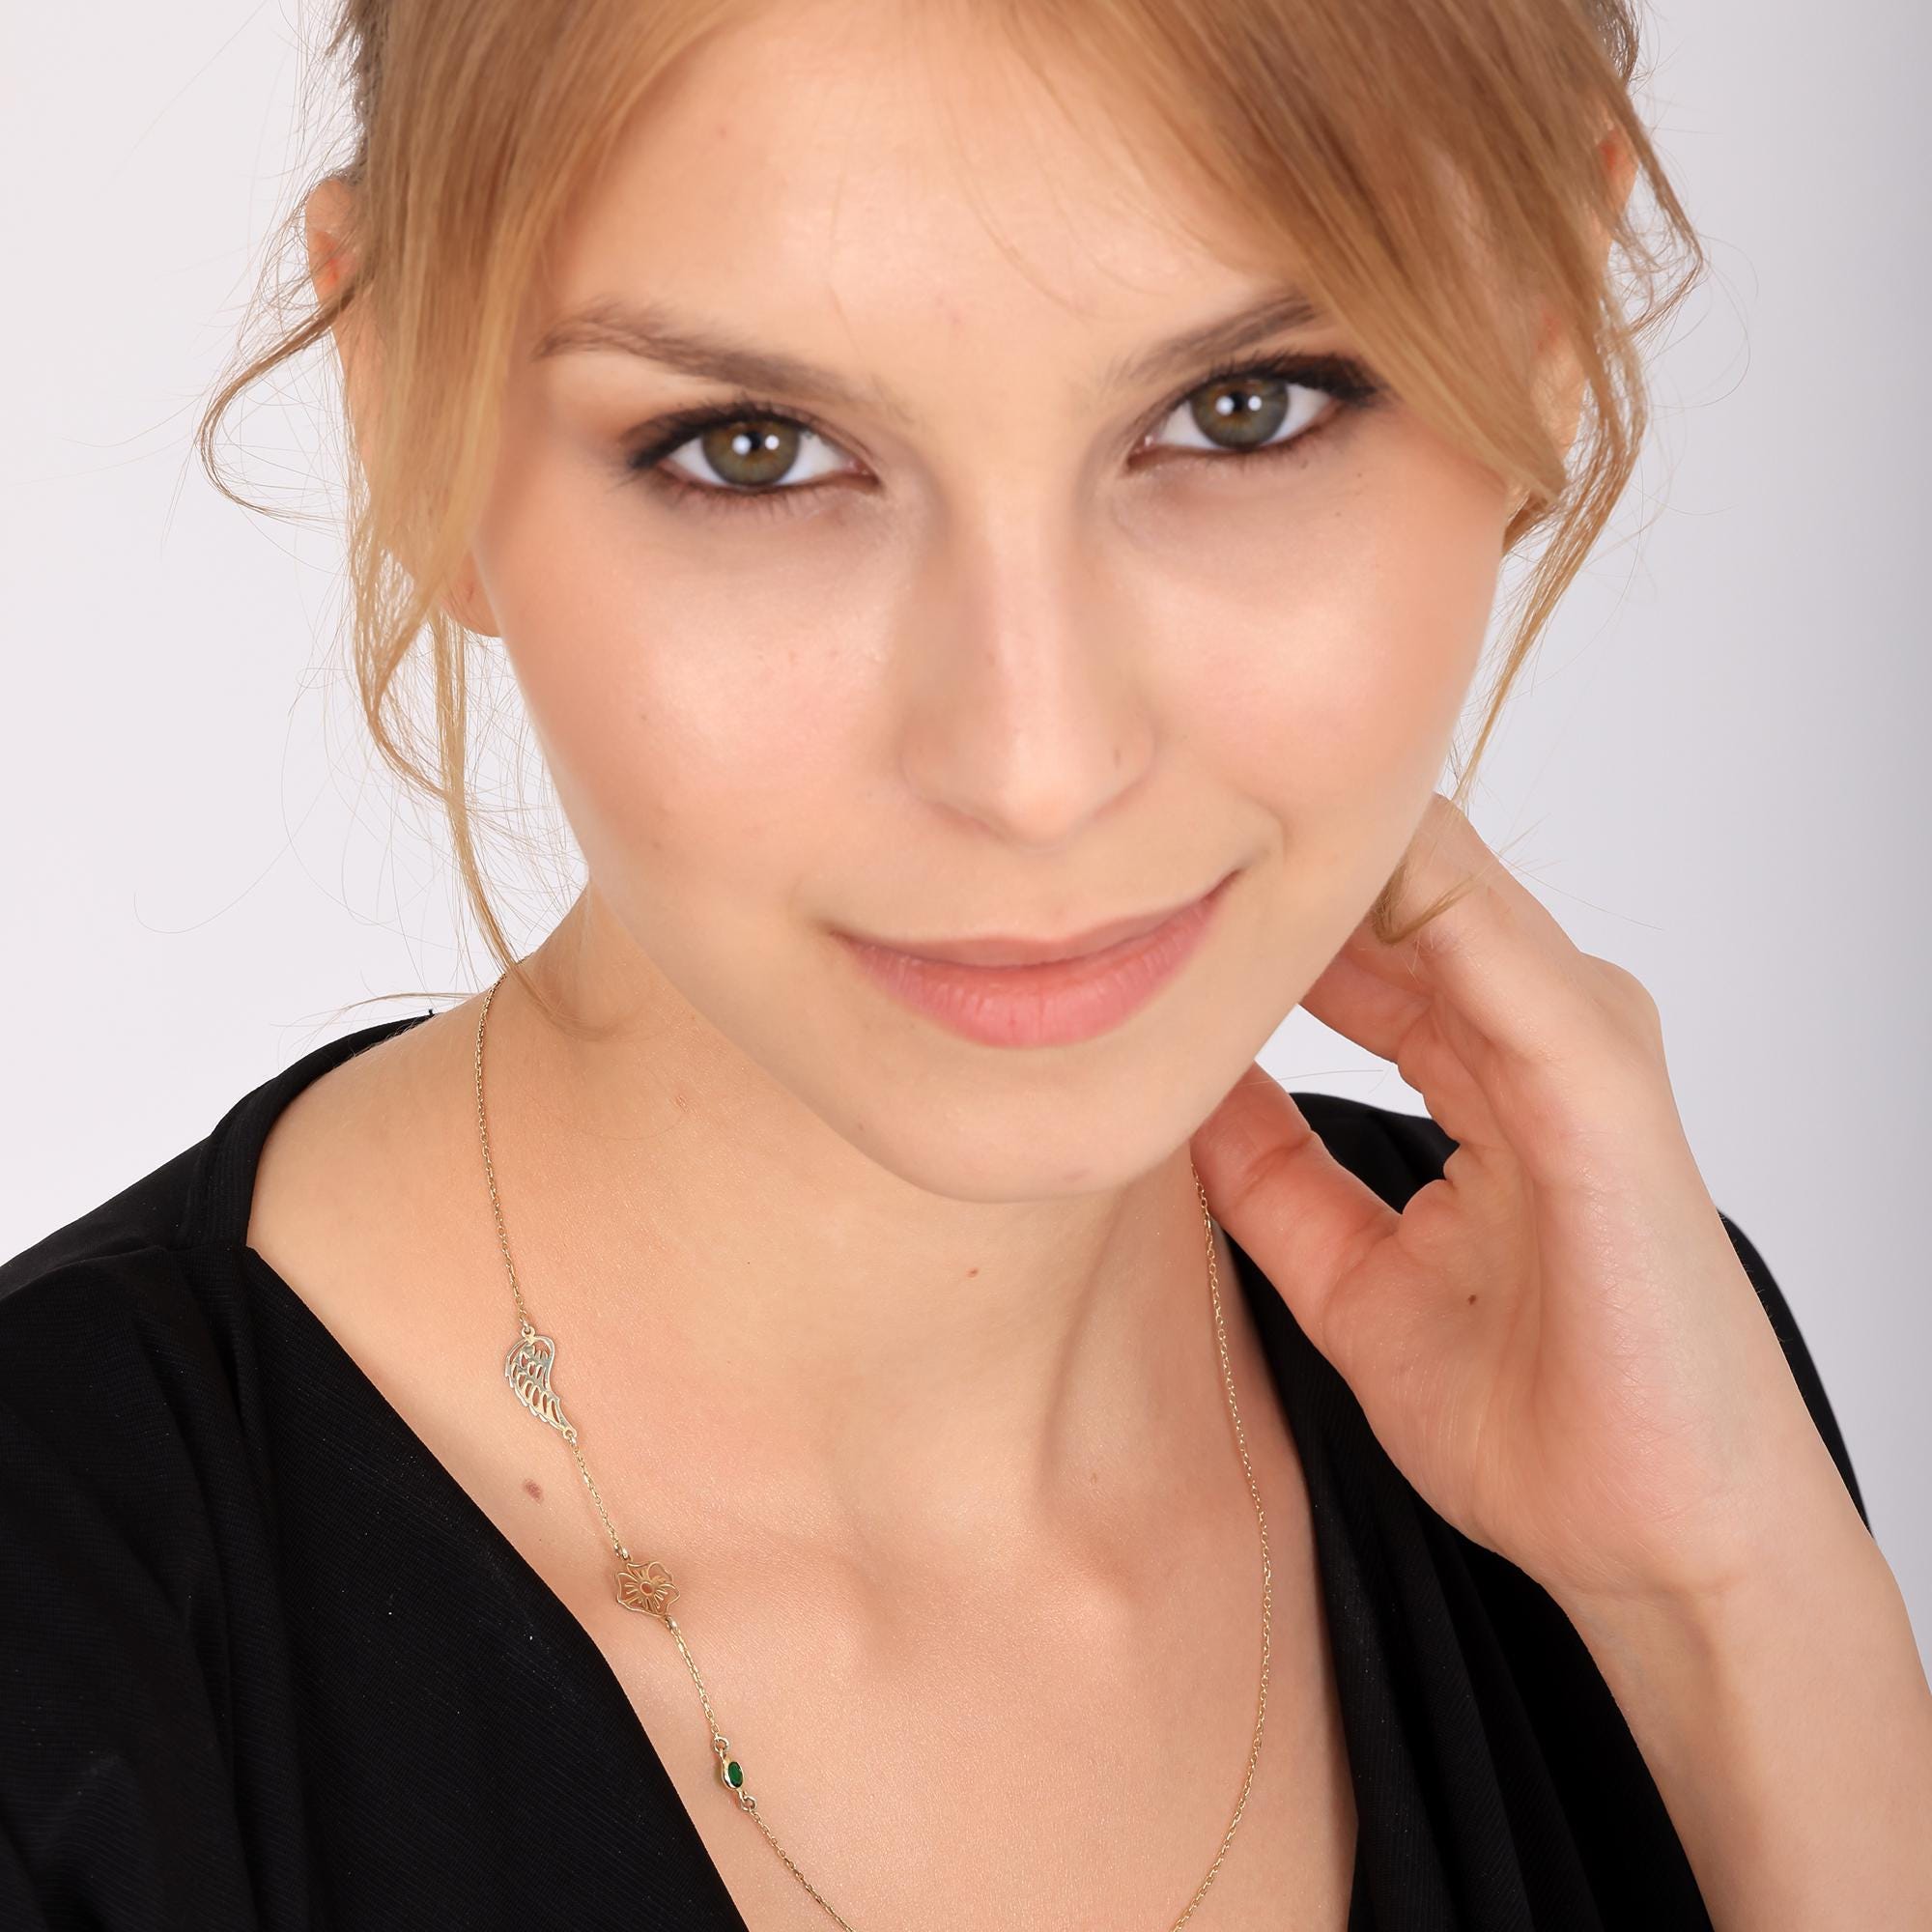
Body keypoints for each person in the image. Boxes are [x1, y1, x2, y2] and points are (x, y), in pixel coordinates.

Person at [4, 0, 1929, 1926]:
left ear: (1547, 331)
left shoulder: (1632, 1404)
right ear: (403, 402)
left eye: (1241, 408)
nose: (1033, 766)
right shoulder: (68, 1651)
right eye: (753, 452)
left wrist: (1738, 1615)